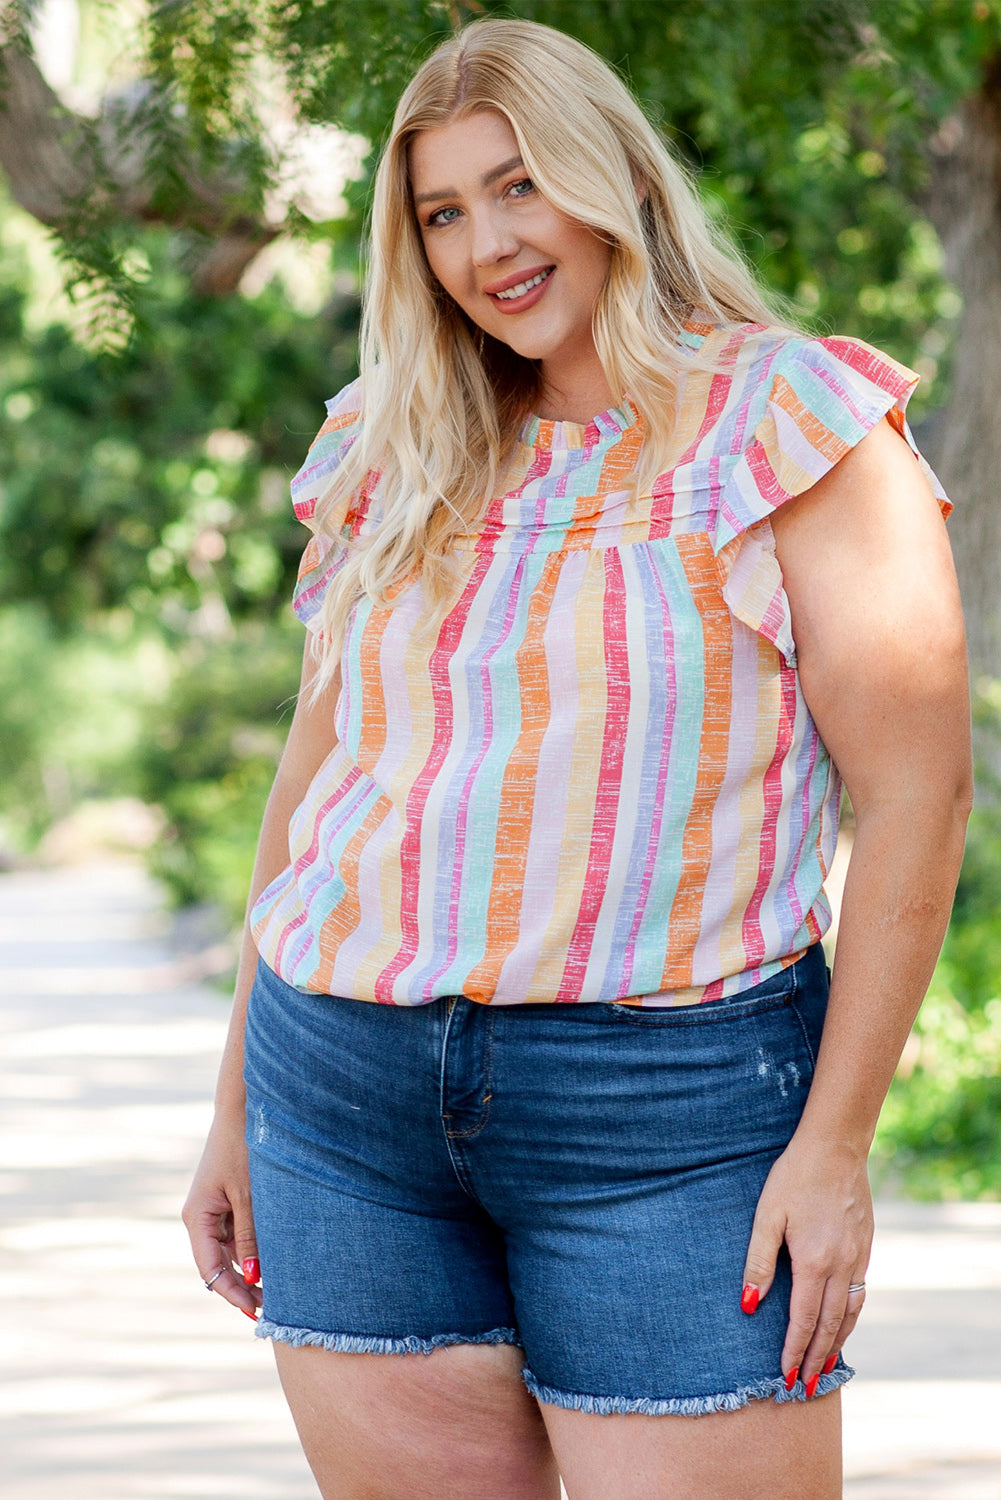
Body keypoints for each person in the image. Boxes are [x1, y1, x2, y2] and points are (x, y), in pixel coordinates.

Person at [183, 18, 972, 1500]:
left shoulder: (794, 427)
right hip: (343, 1098)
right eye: (442, 211)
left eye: (520, 184)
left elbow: (917, 797)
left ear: (610, 177)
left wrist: (835, 1147)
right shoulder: (390, 443)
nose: (489, 243)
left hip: (671, 1117)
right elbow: (321, 787)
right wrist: (234, 1106)